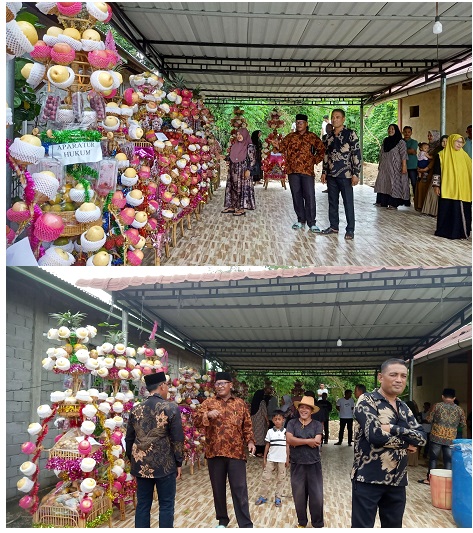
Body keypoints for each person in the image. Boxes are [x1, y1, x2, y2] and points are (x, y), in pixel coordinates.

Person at [351, 359, 427, 528]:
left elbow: (422, 437)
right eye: (393, 375)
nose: (399, 379)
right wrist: (406, 444)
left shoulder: (404, 407)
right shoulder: (367, 400)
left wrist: (392, 428)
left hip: (398, 481)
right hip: (368, 479)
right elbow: (375, 435)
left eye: (403, 376)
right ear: (380, 377)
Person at [193, 371, 256, 528]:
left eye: (223, 384)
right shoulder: (208, 402)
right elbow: (196, 422)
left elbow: (247, 424)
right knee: (218, 488)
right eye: (217, 384)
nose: (220, 387)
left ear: (230, 385)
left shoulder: (240, 403)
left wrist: (250, 441)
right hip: (215, 452)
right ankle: (222, 520)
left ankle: (245, 524)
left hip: (236, 452)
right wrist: (207, 414)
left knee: (240, 488)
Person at [125, 372, 184, 528]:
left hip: (141, 464)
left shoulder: (135, 409)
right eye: (167, 386)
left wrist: (132, 463)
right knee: (166, 504)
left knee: (143, 504)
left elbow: (129, 438)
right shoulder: (171, 407)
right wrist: (179, 462)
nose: (167, 390)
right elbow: (177, 438)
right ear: (162, 386)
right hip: (165, 464)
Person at [274, 113, 325, 232]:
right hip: (292, 171)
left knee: (309, 196)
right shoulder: (290, 137)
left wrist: (314, 160)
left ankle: (312, 223)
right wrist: (276, 145)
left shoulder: (312, 136)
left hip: (307, 171)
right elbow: (281, 148)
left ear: (306, 124)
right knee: (296, 196)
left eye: (301, 123)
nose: (298, 125)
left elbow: (322, 150)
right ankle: (300, 220)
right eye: (297, 123)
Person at [320, 109, 362, 240]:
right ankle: (334, 226)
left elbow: (356, 153)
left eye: (337, 117)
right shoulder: (328, 137)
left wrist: (356, 173)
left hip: (346, 174)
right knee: (332, 202)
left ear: (343, 119)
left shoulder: (350, 134)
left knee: (348, 203)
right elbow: (326, 155)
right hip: (332, 175)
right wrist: (324, 172)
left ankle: (350, 230)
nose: (334, 119)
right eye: (333, 117)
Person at [286, 395, 324, 528]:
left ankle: (318, 523)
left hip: (314, 464)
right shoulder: (292, 423)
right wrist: (308, 441)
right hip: (297, 464)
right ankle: (302, 522)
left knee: (317, 496)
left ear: (311, 411)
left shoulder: (317, 424)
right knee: (299, 496)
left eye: (307, 408)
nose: (304, 410)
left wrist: (298, 441)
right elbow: (290, 440)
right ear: (298, 409)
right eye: (301, 407)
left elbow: (317, 441)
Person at [418, 388, 467, 485]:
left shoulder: (437, 406)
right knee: (448, 460)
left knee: (433, 459)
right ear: (454, 398)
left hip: (436, 436)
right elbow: (463, 424)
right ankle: (446, 481)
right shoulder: (459, 410)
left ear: (442, 396)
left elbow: (429, 419)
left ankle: (430, 480)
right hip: (450, 438)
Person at [432, 133, 472, 240]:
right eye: (457, 142)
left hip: (463, 189)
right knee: (448, 209)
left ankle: (462, 233)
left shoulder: (465, 156)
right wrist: (436, 185)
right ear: (451, 141)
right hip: (448, 188)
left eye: (461, 142)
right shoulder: (441, 155)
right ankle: (445, 231)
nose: (460, 144)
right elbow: (437, 172)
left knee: (463, 210)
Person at [254, 410, 289, 508]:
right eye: (276, 419)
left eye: (279, 419)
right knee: (266, 477)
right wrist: (264, 458)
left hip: (282, 459)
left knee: (281, 478)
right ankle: (263, 496)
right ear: (273, 420)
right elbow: (267, 445)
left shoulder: (286, 432)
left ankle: (278, 497)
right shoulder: (269, 432)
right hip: (271, 458)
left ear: (283, 420)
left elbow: (287, 446)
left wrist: (287, 458)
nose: (278, 421)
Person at [373, 124, 410, 210]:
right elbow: (381, 153)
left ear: (396, 130)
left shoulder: (401, 142)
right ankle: (382, 202)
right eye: (389, 129)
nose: (390, 130)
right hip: (385, 167)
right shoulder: (386, 140)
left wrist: (404, 166)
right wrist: (380, 164)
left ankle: (393, 204)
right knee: (383, 182)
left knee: (394, 184)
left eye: (392, 129)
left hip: (395, 168)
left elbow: (403, 155)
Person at [222, 127, 256, 217]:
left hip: (243, 171)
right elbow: (231, 157)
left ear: (245, 135)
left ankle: (241, 208)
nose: (238, 136)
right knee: (232, 187)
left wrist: (249, 170)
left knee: (241, 188)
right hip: (233, 170)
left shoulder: (250, 146)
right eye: (237, 134)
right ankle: (232, 206)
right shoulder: (235, 145)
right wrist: (222, 157)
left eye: (240, 134)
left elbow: (252, 160)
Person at [421, 133, 448, 217]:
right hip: (436, 173)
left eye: (446, 141)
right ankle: (430, 210)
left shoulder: (452, 152)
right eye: (442, 141)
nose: (444, 143)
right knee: (433, 192)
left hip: (446, 175)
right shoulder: (438, 151)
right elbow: (433, 162)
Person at [414, 129, 441, 212]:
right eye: (428, 135)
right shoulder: (426, 146)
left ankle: (426, 207)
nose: (429, 137)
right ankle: (420, 206)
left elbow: (434, 160)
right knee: (420, 186)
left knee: (426, 187)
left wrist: (426, 168)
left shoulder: (438, 148)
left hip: (431, 170)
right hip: (422, 169)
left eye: (431, 135)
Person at [250, 388, 269, 457]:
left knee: (255, 435)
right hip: (260, 421)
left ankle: (253, 450)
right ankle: (259, 451)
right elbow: (264, 412)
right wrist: (267, 421)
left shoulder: (254, 402)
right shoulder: (262, 402)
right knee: (260, 436)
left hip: (254, 420)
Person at [403, 126, 418, 197]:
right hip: (403, 166)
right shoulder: (400, 142)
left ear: (411, 133)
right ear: (402, 132)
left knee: (414, 183)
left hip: (413, 166)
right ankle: (406, 200)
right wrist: (410, 151)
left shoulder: (414, 142)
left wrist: (403, 151)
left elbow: (412, 150)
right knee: (404, 184)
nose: (407, 133)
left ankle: (416, 200)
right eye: (405, 132)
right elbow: (411, 151)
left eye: (409, 132)